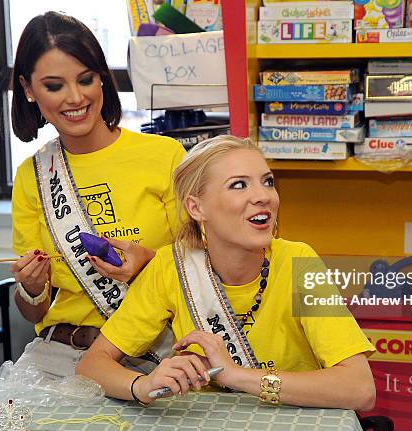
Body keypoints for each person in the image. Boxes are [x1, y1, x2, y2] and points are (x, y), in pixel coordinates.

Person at [76, 135, 376, 409]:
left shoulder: (299, 261)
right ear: (196, 208)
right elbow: (92, 365)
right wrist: (142, 385)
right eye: (239, 185)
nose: (264, 196)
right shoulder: (172, 266)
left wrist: (236, 375)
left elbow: (360, 388)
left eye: (267, 182)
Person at [9, 11, 185, 378]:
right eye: (54, 86)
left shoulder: (165, 156)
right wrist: (32, 287)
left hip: (154, 352)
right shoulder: (33, 176)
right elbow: (34, 311)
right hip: (57, 354)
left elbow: (205, 267)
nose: (75, 98)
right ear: (28, 89)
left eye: (85, 79)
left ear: (102, 77)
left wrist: (149, 262)